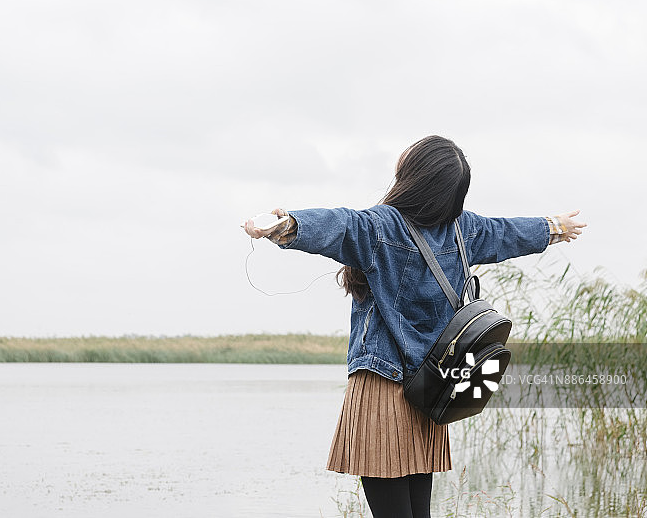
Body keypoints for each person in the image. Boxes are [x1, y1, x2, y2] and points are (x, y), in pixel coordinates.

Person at [242, 135, 586, 518]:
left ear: (414, 177)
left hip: (381, 390)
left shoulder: (384, 227)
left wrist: (288, 224)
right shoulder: (464, 231)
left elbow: (341, 225)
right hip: (428, 392)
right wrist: (554, 227)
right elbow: (507, 232)